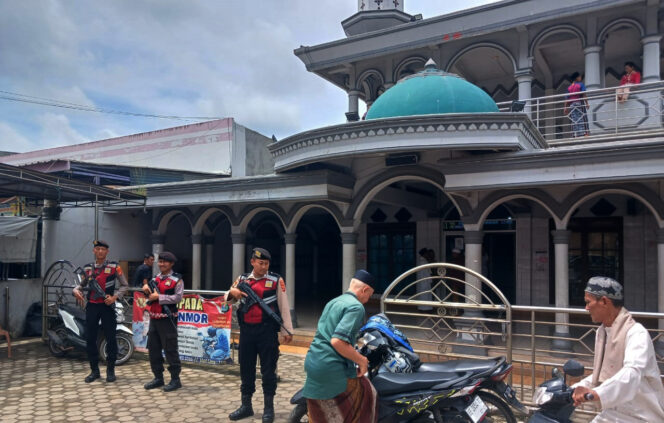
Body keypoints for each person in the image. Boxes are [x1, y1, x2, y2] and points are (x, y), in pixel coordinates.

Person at [571, 276, 664, 422]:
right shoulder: (602, 333)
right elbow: (603, 374)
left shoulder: (636, 333)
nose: (586, 308)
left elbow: (631, 373)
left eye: (588, 302)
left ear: (604, 301)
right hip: (613, 413)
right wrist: (576, 388)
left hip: (641, 416)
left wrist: (595, 393)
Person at [226, 247, 293, 423]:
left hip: (267, 332)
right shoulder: (242, 279)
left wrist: (287, 329)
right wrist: (231, 293)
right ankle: (246, 406)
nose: (264, 266)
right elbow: (229, 296)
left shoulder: (276, 280)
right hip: (247, 332)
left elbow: (283, 305)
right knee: (246, 369)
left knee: (268, 371)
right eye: (261, 263)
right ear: (252, 262)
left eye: (267, 263)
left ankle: (268, 408)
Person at [303, 269, 378, 423]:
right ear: (365, 290)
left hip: (313, 362)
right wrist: (362, 360)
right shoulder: (356, 307)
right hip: (332, 367)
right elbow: (338, 341)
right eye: (369, 296)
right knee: (368, 395)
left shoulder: (334, 301)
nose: (367, 300)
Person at [72, 240, 128, 383]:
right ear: (94, 251)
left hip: (107, 306)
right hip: (92, 306)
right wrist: (75, 290)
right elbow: (80, 285)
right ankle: (94, 371)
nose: (100, 251)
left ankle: (110, 370)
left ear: (107, 252)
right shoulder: (87, 269)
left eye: (103, 249)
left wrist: (115, 297)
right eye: (98, 249)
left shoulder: (114, 267)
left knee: (111, 339)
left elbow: (125, 285)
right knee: (90, 339)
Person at [142, 251, 184, 392]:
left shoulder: (176, 280)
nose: (162, 264)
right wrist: (146, 290)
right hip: (154, 318)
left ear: (171, 263)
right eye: (160, 261)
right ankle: (158, 378)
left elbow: (178, 297)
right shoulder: (156, 279)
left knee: (170, 350)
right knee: (153, 350)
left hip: (168, 319)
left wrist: (159, 297)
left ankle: (175, 380)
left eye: (165, 261)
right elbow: (150, 297)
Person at [564, 72, 589, 137]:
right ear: (577, 78)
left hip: (572, 105)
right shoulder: (580, 84)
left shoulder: (569, 87)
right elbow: (584, 94)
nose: (580, 78)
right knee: (582, 117)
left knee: (574, 119)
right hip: (579, 103)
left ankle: (575, 135)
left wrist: (565, 108)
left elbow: (567, 99)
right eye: (580, 77)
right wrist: (587, 103)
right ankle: (585, 133)